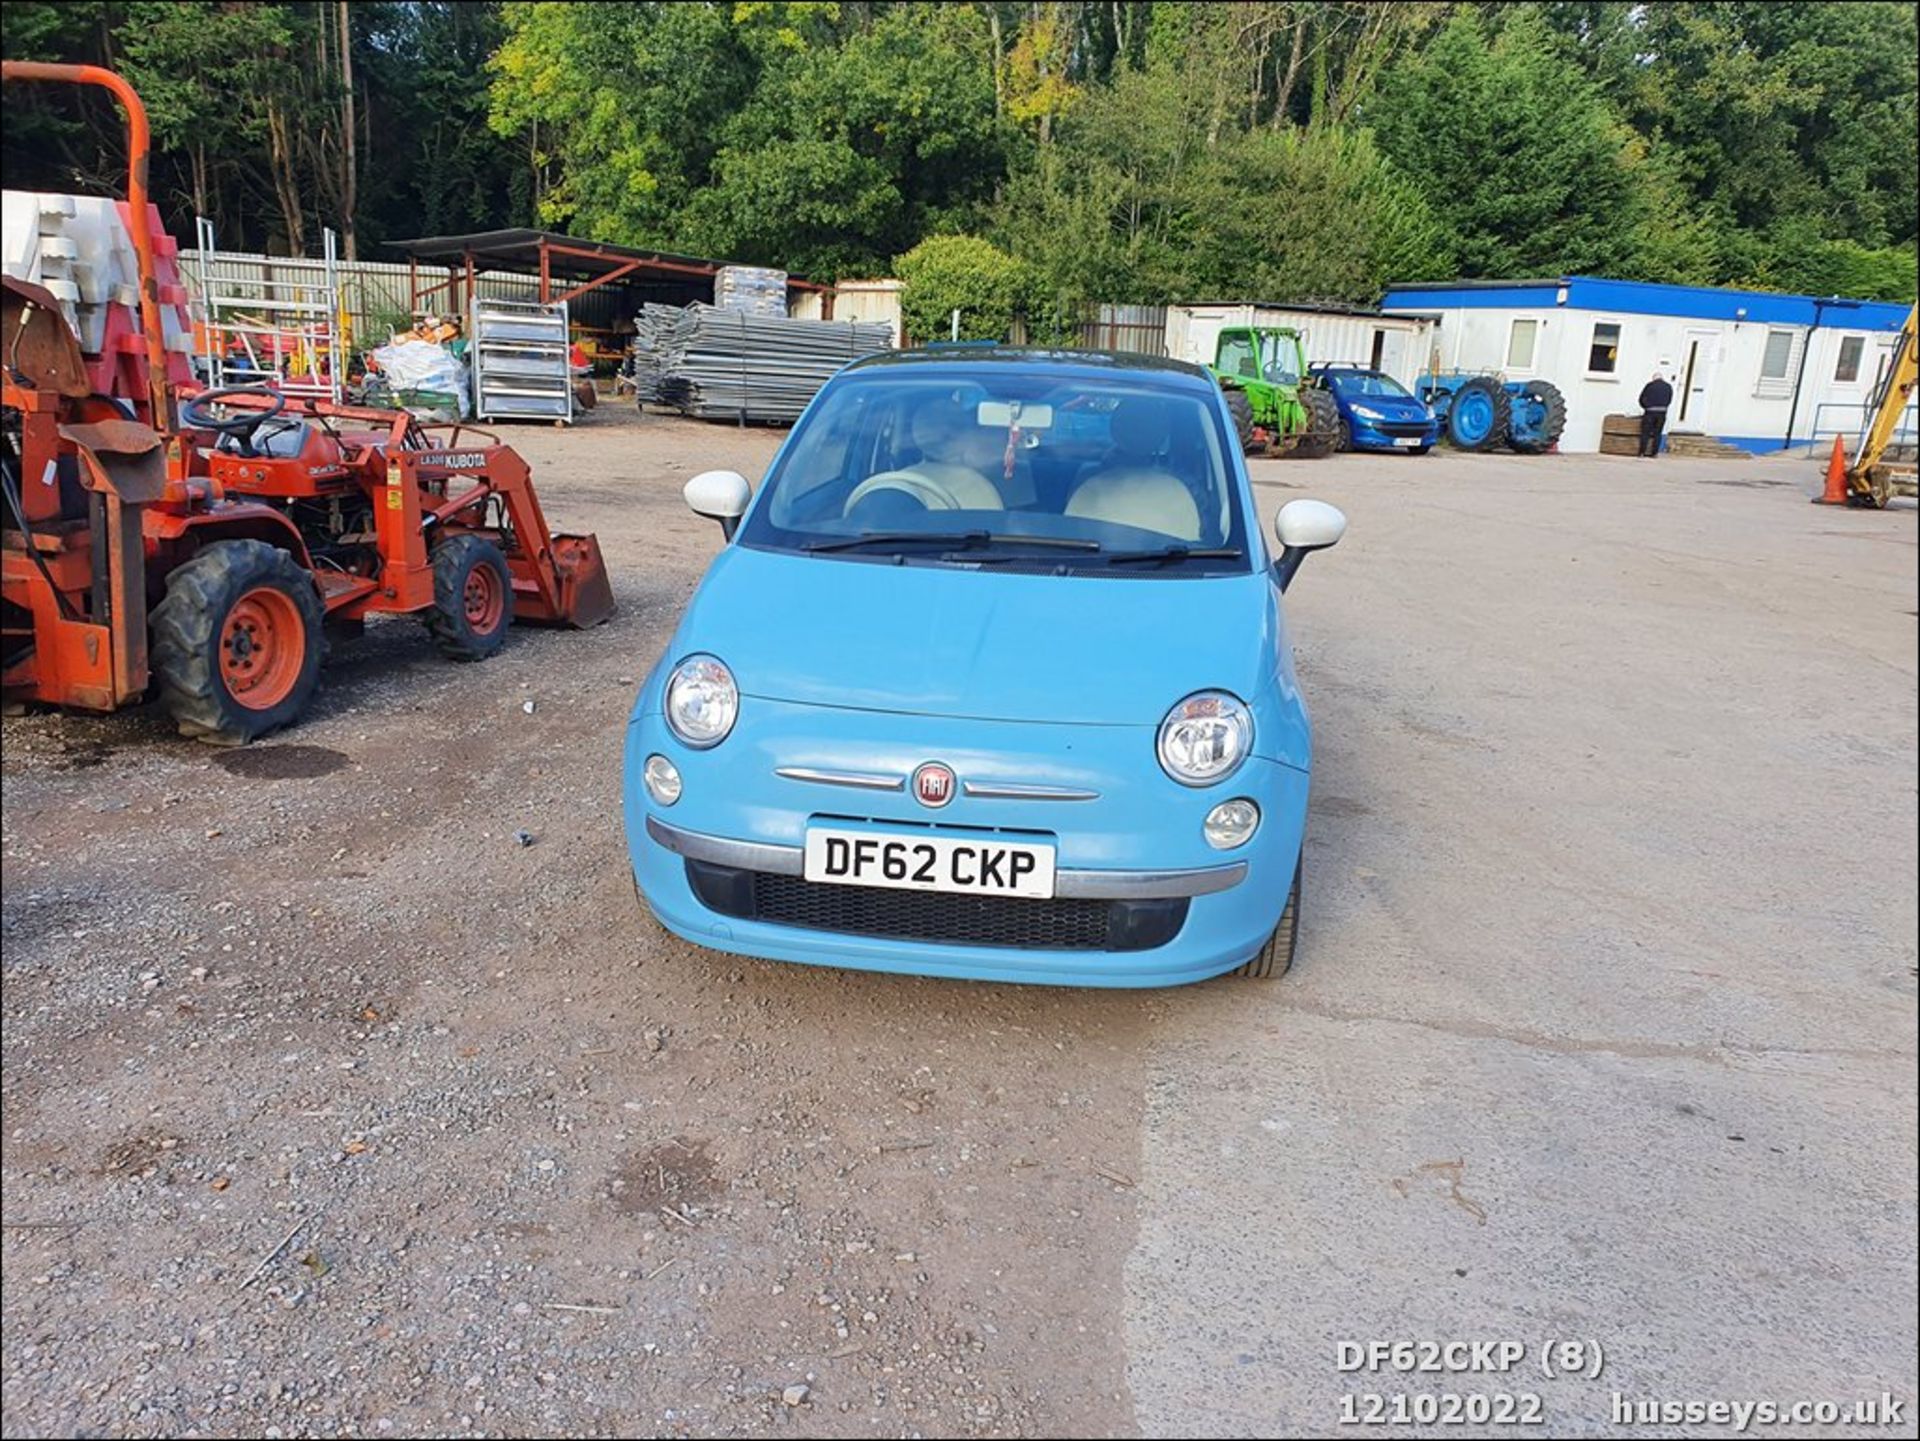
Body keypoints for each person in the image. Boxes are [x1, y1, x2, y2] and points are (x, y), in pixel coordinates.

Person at [1637, 370, 1674, 457]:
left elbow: (1641, 398)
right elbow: (1669, 400)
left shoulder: (1649, 386)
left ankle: (1642, 452)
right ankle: (1654, 453)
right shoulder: (1668, 387)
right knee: (1658, 433)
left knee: (1645, 432)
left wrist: (1646, 406)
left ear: (1654, 379)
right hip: (1662, 412)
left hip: (1650, 412)